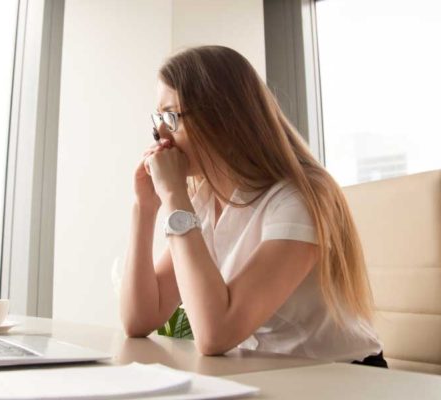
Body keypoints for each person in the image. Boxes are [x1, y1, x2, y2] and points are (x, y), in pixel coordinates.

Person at [119, 45, 386, 366]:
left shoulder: (299, 199)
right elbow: (140, 318)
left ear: (222, 117)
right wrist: (144, 208)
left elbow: (216, 334)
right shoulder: (205, 199)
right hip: (261, 371)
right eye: (159, 117)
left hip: (340, 379)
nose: (160, 131)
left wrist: (175, 197)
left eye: (172, 116)